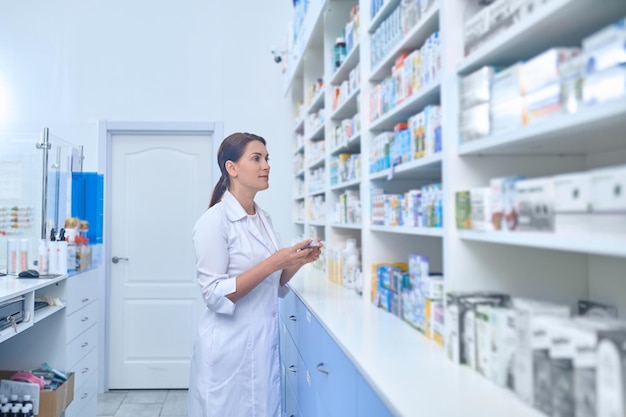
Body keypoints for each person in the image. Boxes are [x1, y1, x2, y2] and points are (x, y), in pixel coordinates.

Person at [188, 132, 322, 417]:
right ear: (232, 168)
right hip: (229, 348)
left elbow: (274, 281)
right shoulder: (213, 222)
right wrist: (274, 261)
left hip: (261, 345)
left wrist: (297, 261)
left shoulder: (263, 218)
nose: (266, 165)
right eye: (256, 158)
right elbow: (213, 294)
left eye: (267, 158)